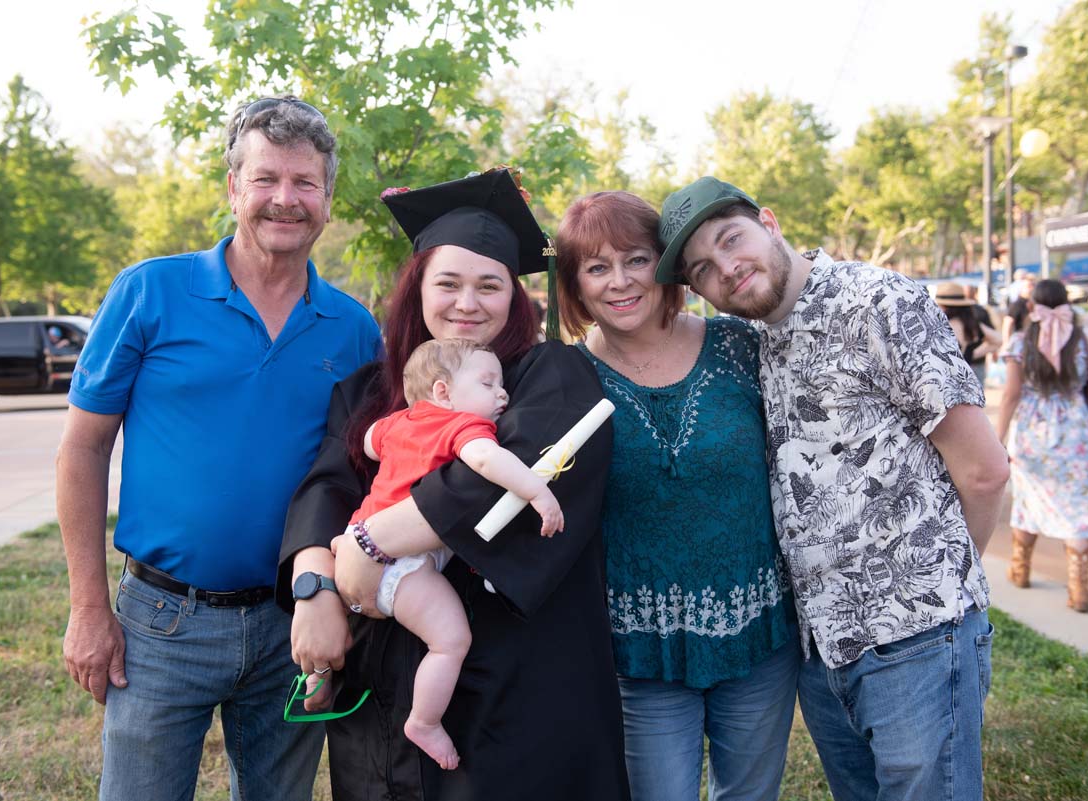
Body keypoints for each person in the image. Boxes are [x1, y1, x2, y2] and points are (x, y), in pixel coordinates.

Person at [56, 96, 383, 800]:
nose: (285, 198)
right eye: (266, 179)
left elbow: (362, 478)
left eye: (305, 182)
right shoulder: (149, 292)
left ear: (327, 199)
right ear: (234, 188)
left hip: (295, 620)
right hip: (161, 623)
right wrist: (87, 608)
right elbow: (82, 449)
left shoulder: (353, 329)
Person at [277, 169, 631, 801]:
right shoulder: (368, 391)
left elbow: (499, 484)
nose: (467, 303)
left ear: (515, 297)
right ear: (417, 288)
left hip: (512, 690)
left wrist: (366, 546)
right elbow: (325, 489)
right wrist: (314, 587)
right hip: (382, 689)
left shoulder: (548, 374)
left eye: (489, 285)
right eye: (447, 283)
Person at [655, 177, 1010, 801]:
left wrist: (941, 591)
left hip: (917, 634)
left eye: (731, 239)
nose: (727, 269)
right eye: (702, 269)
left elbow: (984, 470)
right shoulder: (755, 340)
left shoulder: (879, 302)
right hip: (821, 653)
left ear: (769, 222)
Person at [554, 191, 799, 801]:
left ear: (666, 266)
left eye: (636, 260)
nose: (619, 281)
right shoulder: (564, 381)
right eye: (597, 267)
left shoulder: (740, 346)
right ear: (576, 285)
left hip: (758, 636)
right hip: (641, 653)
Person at [339, 337, 564, 770]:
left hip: (358, 532)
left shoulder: (397, 422)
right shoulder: (462, 426)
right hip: (402, 565)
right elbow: (486, 461)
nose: (502, 394)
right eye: (487, 383)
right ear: (443, 392)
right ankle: (424, 721)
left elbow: (367, 443)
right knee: (450, 640)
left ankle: (319, 673)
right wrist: (537, 490)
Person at [996, 279, 1088, 611]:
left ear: (1031, 306)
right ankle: (1078, 589)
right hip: (1077, 432)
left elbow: (1010, 395)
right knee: (1078, 508)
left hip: (1032, 432)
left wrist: (999, 439)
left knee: (1029, 499)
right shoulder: (1084, 339)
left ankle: (1020, 569)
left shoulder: (1021, 342)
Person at [934, 281, 1001, 385]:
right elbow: (998, 340)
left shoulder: (938, 325)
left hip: (943, 382)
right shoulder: (971, 323)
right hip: (968, 378)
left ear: (942, 305)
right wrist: (971, 355)